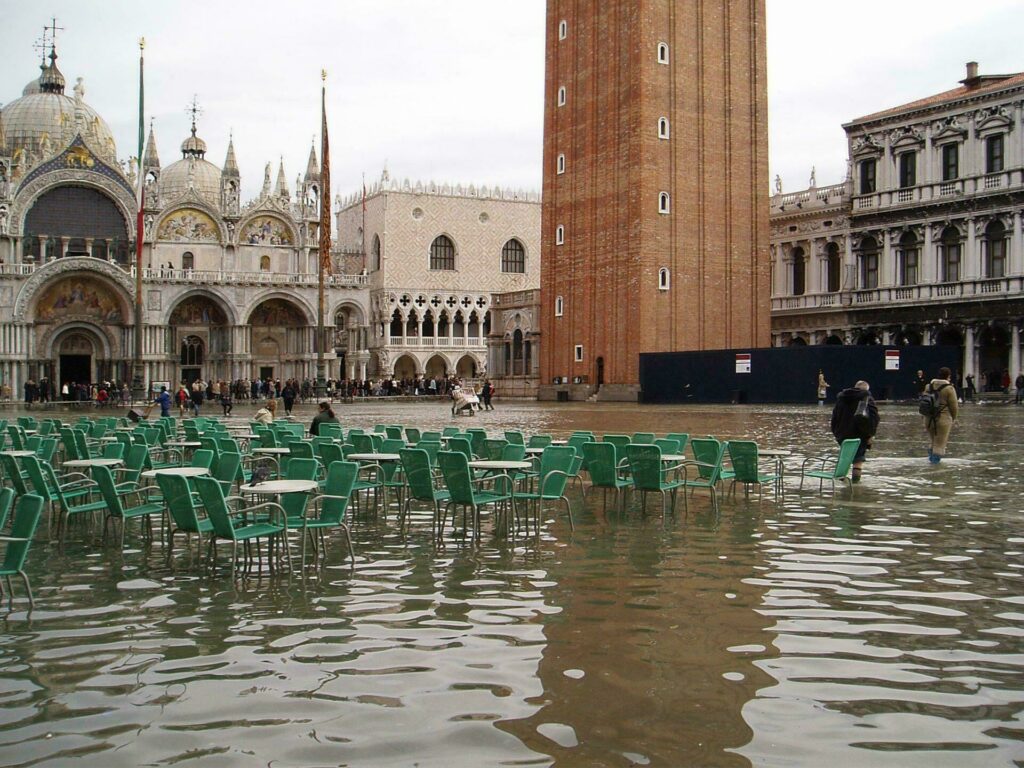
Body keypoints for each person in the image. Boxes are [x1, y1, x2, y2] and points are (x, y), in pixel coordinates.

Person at [830, 380, 880, 483]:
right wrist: (870, 435)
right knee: (858, 461)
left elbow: (834, 418)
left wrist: (837, 434)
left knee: (845, 459)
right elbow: (873, 418)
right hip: (860, 435)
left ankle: (844, 484)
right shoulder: (866, 398)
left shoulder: (842, 399)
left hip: (842, 436)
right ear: (867, 389)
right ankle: (856, 486)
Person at [925, 366, 959, 464]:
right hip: (942, 419)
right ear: (948, 376)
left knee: (932, 441)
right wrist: (955, 418)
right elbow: (954, 406)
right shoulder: (949, 389)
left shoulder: (928, 386)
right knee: (939, 445)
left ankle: (930, 460)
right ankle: (934, 467)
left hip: (928, 418)